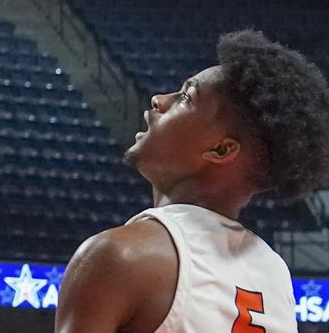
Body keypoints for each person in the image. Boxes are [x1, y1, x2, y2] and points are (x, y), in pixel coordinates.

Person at [56, 30, 329, 333]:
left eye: (186, 97)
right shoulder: (275, 273)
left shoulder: (120, 256)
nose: (159, 100)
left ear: (221, 149)